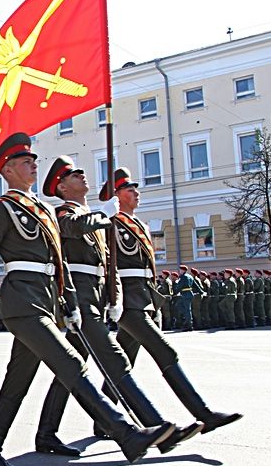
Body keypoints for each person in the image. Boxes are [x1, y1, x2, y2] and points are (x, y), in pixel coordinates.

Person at [0, 134, 174, 466]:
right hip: (21, 300)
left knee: (18, 380)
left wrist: (70, 304)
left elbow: (60, 263)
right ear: (8, 170)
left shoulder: (43, 211)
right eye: (25, 161)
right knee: (71, 362)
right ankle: (126, 433)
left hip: (46, 300)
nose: (33, 164)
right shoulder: (1, 207)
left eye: (33, 160)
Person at [34, 157, 201, 458]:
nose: (83, 175)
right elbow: (73, 229)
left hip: (95, 299)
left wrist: (114, 299)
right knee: (115, 361)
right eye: (75, 173)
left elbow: (107, 266)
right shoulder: (63, 213)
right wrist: (105, 213)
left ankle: (46, 433)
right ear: (61, 186)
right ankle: (158, 428)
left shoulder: (92, 216)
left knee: (70, 370)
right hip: (78, 300)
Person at [103, 167, 242, 435]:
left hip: (144, 296)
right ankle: (204, 414)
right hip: (128, 300)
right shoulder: (113, 223)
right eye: (129, 189)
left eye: (136, 188)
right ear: (116, 196)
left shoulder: (138, 224)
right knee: (166, 353)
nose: (136, 193)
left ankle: (104, 421)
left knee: (122, 363)